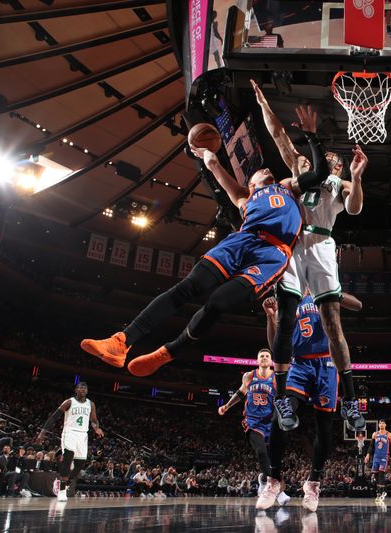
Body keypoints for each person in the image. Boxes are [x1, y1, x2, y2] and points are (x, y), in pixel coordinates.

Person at [79, 105, 330, 377]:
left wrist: (311, 136)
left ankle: (170, 350)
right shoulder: (243, 196)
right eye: (259, 171)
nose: (265, 168)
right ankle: (122, 341)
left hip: (272, 254)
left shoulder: (286, 186)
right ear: (252, 181)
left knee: (219, 302)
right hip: (240, 242)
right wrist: (206, 153)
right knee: (189, 286)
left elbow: (319, 174)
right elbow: (214, 167)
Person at [250, 80, 367, 433]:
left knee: (332, 322)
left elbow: (356, 209)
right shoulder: (300, 171)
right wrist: (262, 103)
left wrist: (358, 179)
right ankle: (283, 397)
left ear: (340, 168)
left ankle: (349, 399)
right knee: (286, 319)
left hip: (321, 246)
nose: (328, 159)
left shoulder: (341, 184)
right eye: (326, 156)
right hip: (292, 245)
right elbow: (279, 136)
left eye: (335, 160)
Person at [258, 289, 363, 512]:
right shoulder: (289, 295)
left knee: (324, 429)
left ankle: (313, 484)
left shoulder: (325, 287)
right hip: (299, 364)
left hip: (327, 364)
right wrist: (270, 315)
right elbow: (277, 342)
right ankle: (274, 479)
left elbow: (358, 305)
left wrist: (334, 294)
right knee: (280, 417)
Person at [217, 347, 289, 508]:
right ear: (257, 360)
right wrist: (227, 406)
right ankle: (276, 491)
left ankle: (264, 480)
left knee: (273, 461)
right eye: (261, 356)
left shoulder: (277, 379)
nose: (264, 358)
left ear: (271, 361)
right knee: (261, 451)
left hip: (270, 422)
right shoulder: (249, 376)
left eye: (267, 356)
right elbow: (241, 393)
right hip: (252, 421)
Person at [36, 382, 104, 501]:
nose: (82, 389)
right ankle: (62, 491)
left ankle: (65, 485)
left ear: (87, 391)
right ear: (76, 390)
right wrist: (43, 432)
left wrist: (96, 428)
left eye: (85, 388)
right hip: (70, 432)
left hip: (83, 434)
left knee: (80, 465)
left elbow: (94, 420)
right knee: (68, 458)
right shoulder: (69, 402)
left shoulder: (91, 404)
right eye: (80, 387)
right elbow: (54, 416)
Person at [364, 419, 391, 503]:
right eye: (380, 423)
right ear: (378, 425)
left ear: (385, 425)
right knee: (375, 474)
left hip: (384, 457)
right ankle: (381, 492)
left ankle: (380, 493)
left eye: (383, 423)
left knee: (381, 472)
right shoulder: (375, 434)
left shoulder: (389, 435)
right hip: (376, 456)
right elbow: (371, 446)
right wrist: (368, 455)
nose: (381, 424)